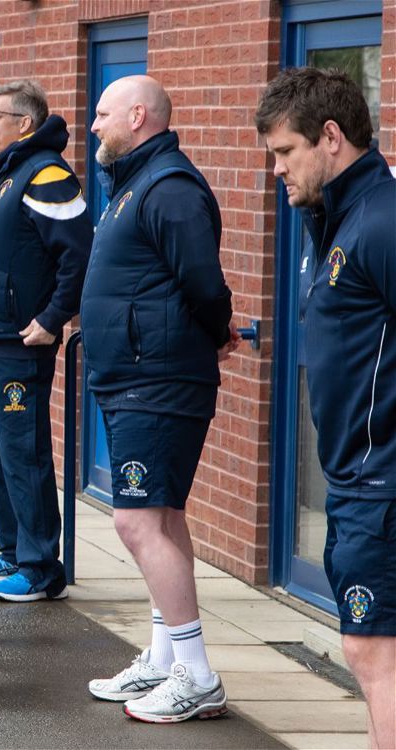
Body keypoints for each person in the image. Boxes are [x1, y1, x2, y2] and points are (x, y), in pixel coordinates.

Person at [81, 75, 240, 723]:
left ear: (138, 116)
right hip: (136, 377)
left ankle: (196, 674)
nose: (93, 125)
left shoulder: (169, 188)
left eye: (103, 113)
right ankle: (165, 657)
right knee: (164, 517)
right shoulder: (136, 184)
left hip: (159, 379)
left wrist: (216, 333)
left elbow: (204, 281)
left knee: (137, 521)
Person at [256, 67, 395, 750]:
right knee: (372, 655)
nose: (277, 169)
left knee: (376, 654)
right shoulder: (335, 221)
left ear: (331, 137)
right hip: (355, 481)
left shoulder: (381, 222)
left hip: (382, 485)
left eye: (285, 153)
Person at [0, 79, 93, 603]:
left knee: (23, 453)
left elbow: (78, 255)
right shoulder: (3, 173)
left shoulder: (47, 174)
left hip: (19, 344)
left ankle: (41, 568)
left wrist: (53, 318)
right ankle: (13, 550)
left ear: (25, 123)